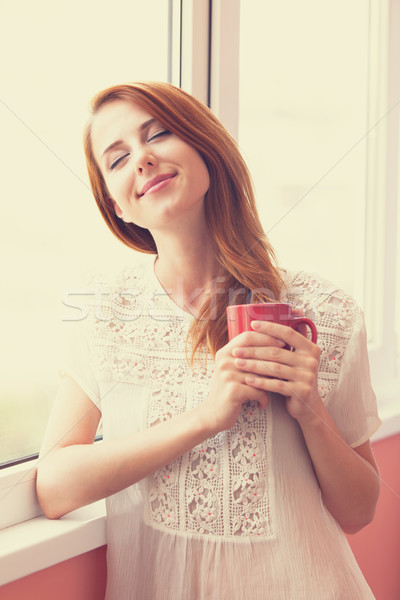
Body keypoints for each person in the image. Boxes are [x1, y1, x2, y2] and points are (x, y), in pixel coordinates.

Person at [36, 82, 382, 599]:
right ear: (118, 208)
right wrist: (204, 418)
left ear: (206, 146)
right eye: (118, 158)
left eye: (160, 133)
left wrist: (310, 410)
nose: (143, 158)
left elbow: (360, 511)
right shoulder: (104, 313)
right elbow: (56, 486)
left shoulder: (325, 313)